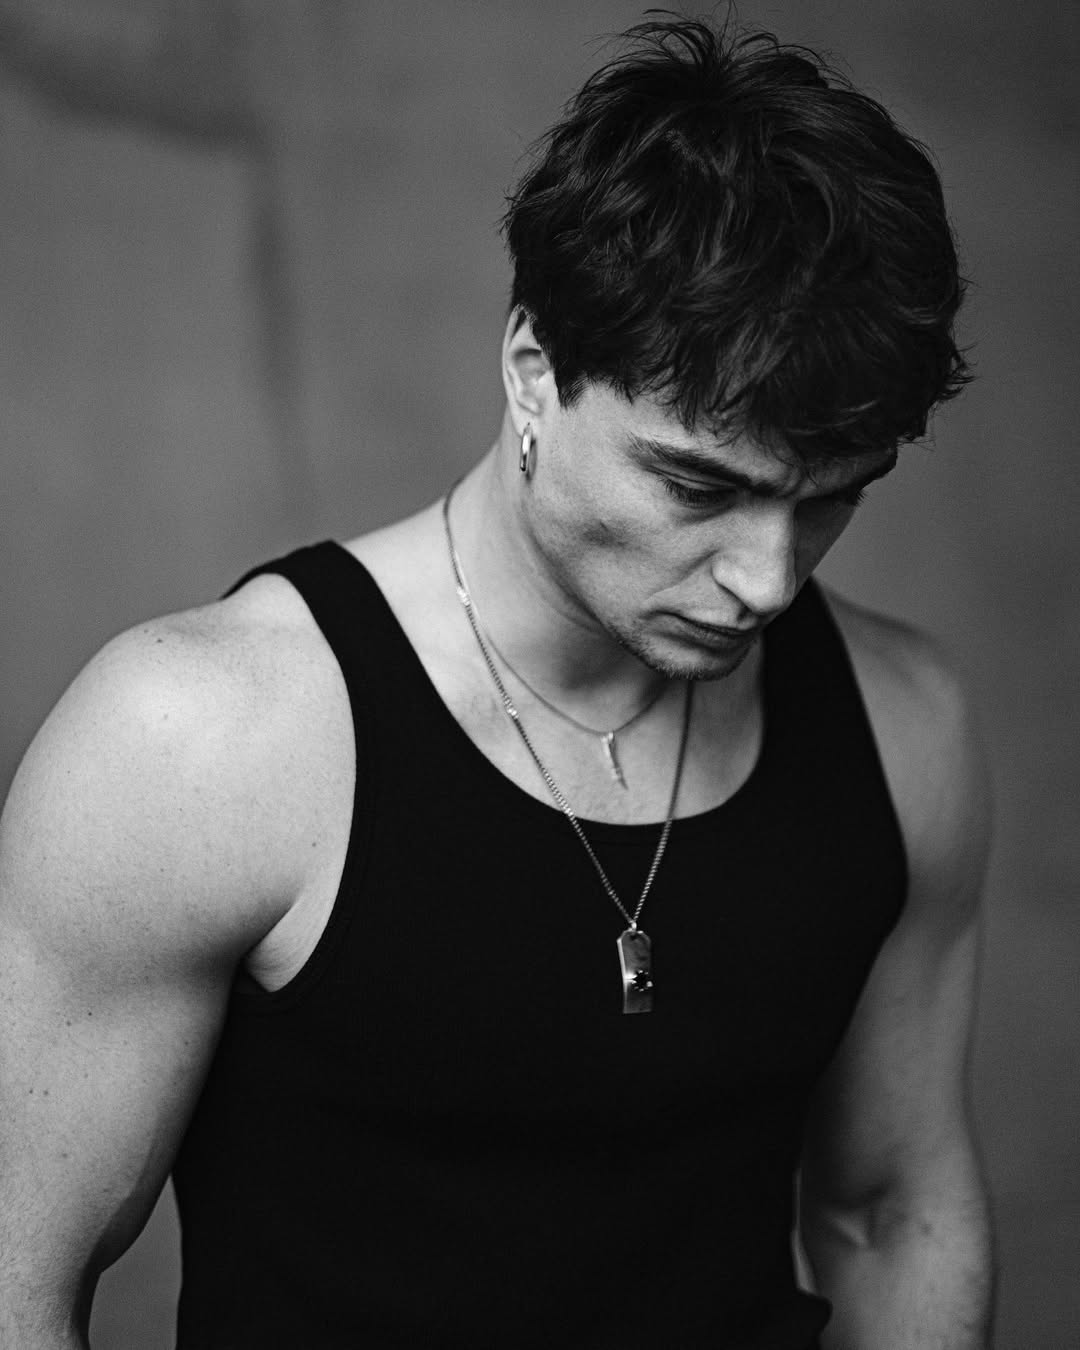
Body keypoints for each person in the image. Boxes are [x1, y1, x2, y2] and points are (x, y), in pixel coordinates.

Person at [0, 15, 993, 1349]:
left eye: (828, 499)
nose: (767, 577)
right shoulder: (204, 737)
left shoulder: (905, 725)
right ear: (535, 374)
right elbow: (15, 1274)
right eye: (701, 487)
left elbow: (889, 1210)